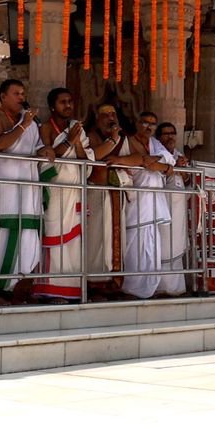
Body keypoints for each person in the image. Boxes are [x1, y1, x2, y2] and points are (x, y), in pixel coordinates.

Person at [0, 79, 45, 302]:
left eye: (23, 93)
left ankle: (15, 287)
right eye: (16, 93)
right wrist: (24, 125)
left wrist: (47, 151)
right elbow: (0, 145)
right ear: (3, 96)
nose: (21, 97)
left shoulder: (29, 122)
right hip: (0, 187)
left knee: (26, 234)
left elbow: (38, 146)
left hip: (26, 186)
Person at [36, 88, 93, 302]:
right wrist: (69, 140)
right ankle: (50, 290)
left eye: (70, 101)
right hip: (54, 192)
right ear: (53, 106)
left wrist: (76, 142)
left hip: (74, 192)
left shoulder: (77, 129)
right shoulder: (45, 128)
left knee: (73, 243)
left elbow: (85, 162)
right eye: (63, 102)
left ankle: (72, 290)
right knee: (54, 238)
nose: (68, 105)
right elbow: (49, 156)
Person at [84, 102, 139, 299]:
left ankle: (113, 283)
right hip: (96, 194)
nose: (110, 118)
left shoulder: (124, 139)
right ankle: (95, 284)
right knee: (97, 239)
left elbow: (139, 157)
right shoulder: (91, 136)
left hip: (116, 196)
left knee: (115, 239)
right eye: (105, 115)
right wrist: (112, 140)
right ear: (97, 118)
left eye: (113, 114)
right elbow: (92, 158)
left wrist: (121, 160)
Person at [121, 111, 172, 299]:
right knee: (134, 244)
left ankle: (149, 289)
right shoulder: (127, 142)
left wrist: (156, 162)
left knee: (152, 246)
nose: (149, 126)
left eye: (152, 123)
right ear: (137, 123)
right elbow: (138, 163)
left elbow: (169, 160)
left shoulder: (155, 144)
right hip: (135, 200)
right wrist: (155, 164)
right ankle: (132, 289)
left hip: (153, 202)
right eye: (145, 122)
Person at [154, 121, 191, 297]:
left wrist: (182, 170)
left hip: (178, 208)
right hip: (162, 206)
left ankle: (176, 288)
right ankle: (160, 287)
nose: (170, 137)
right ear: (159, 137)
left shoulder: (179, 155)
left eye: (172, 133)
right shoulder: (157, 154)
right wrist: (173, 165)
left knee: (177, 243)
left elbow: (187, 180)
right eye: (166, 134)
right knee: (163, 245)